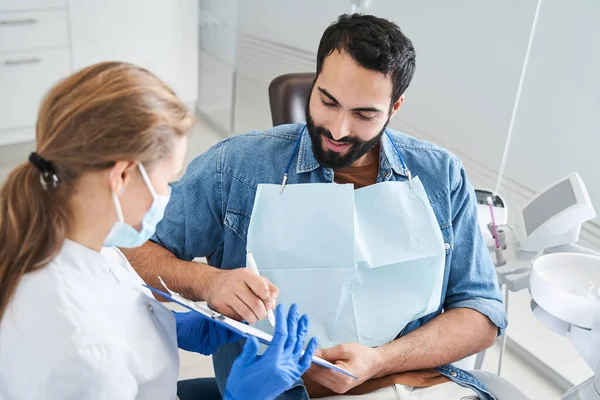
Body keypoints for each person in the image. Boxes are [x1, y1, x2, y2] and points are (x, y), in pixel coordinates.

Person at [124, 14, 508, 400]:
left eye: (365, 114)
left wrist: (380, 360)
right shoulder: (235, 166)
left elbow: (481, 313)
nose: (339, 130)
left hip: (412, 384)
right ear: (315, 82)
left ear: (395, 107)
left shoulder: (440, 175)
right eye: (328, 101)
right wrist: (207, 282)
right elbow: (129, 251)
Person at [0, 61, 317, 400]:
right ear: (120, 177)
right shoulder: (87, 360)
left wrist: (169, 324)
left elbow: (112, 300)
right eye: (166, 180)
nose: (168, 194)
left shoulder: (80, 237)